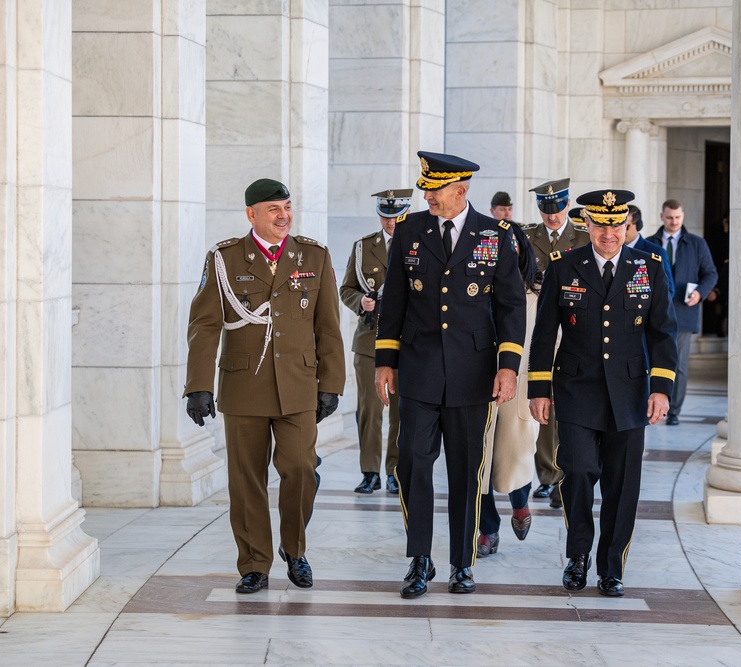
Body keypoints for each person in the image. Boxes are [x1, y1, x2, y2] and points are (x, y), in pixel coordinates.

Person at [374, 151, 526, 599]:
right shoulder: (409, 231)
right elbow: (394, 302)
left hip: (473, 374)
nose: (426, 196)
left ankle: (463, 563)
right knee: (413, 465)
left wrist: (508, 366)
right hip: (419, 372)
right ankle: (420, 560)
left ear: (460, 191)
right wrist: (385, 361)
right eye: (425, 188)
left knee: (466, 472)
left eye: (434, 189)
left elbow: (511, 306)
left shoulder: (496, 235)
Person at [184, 178, 345, 594]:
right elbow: (204, 325)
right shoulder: (225, 258)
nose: (283, 216)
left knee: (300, 469)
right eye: (274, 209)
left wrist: (332, 383)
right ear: (251, 214)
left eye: (287, 207)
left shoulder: (314, 255)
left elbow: (328, 327)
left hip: (298, 386)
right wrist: (198, 385)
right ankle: (255, 563)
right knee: (246, 480)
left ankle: (295, 550)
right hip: (244, 386)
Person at [528, 188, 678, 597]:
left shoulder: (649, 267)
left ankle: (611, 567)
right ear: (587, 225)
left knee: (622, 484)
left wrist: (661, 388)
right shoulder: (564, 266)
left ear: (626, 224)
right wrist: (538, 388)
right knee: (577, 472)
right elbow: (543, 334)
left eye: (616, 224)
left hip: (630, 394)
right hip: (576, 390)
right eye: (600, 224)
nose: (608, 233)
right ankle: (577, 555)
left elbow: (663, 332)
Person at [339, 189, 411, 495]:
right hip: (370, 339)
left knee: (399, 410)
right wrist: (361, 303)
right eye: (386, 215)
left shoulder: (418, 243)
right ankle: (369, 472)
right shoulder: (363, 247)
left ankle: (395, 472)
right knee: (369, 409)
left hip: (406, 341)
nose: (391, 222)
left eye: (396, 216)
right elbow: (346, 289)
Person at [477, 222, 542, 557]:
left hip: (520, 387)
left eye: (513, 245)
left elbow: (550, 341)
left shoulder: (538, 292)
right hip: (479, 384)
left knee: (517, 454)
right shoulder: (476, 285)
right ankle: (487, 529)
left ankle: (520, 504)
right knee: (480, 461)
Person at [523, 179, 589, 507]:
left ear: (567, 205)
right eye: (545, 209)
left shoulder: (584, 237)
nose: (551, 216)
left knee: (571, 401)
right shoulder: (526, 237)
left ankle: (571, 471)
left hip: (576, 327)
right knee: (543, 395)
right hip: (540, 324)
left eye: (557, 208)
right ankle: (549, 475)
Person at [645, 199, 718, 425]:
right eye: (669, 218)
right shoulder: (650, 243)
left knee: (679, 366)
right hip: (655, 314)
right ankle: (652, 407)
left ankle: (673, 412)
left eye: (677, 217)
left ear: (683, 216)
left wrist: (700, 294)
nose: (674, 221)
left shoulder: (697, 244)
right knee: (651, 361)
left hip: (684, 314)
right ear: (661, 217)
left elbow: (710, 274)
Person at [624, 204, 674, 297]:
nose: (621, 230)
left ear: (638, 225)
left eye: (626, 226)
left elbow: (667, 290)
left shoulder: (655, 252)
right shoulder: (611, 250)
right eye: (617, 226)